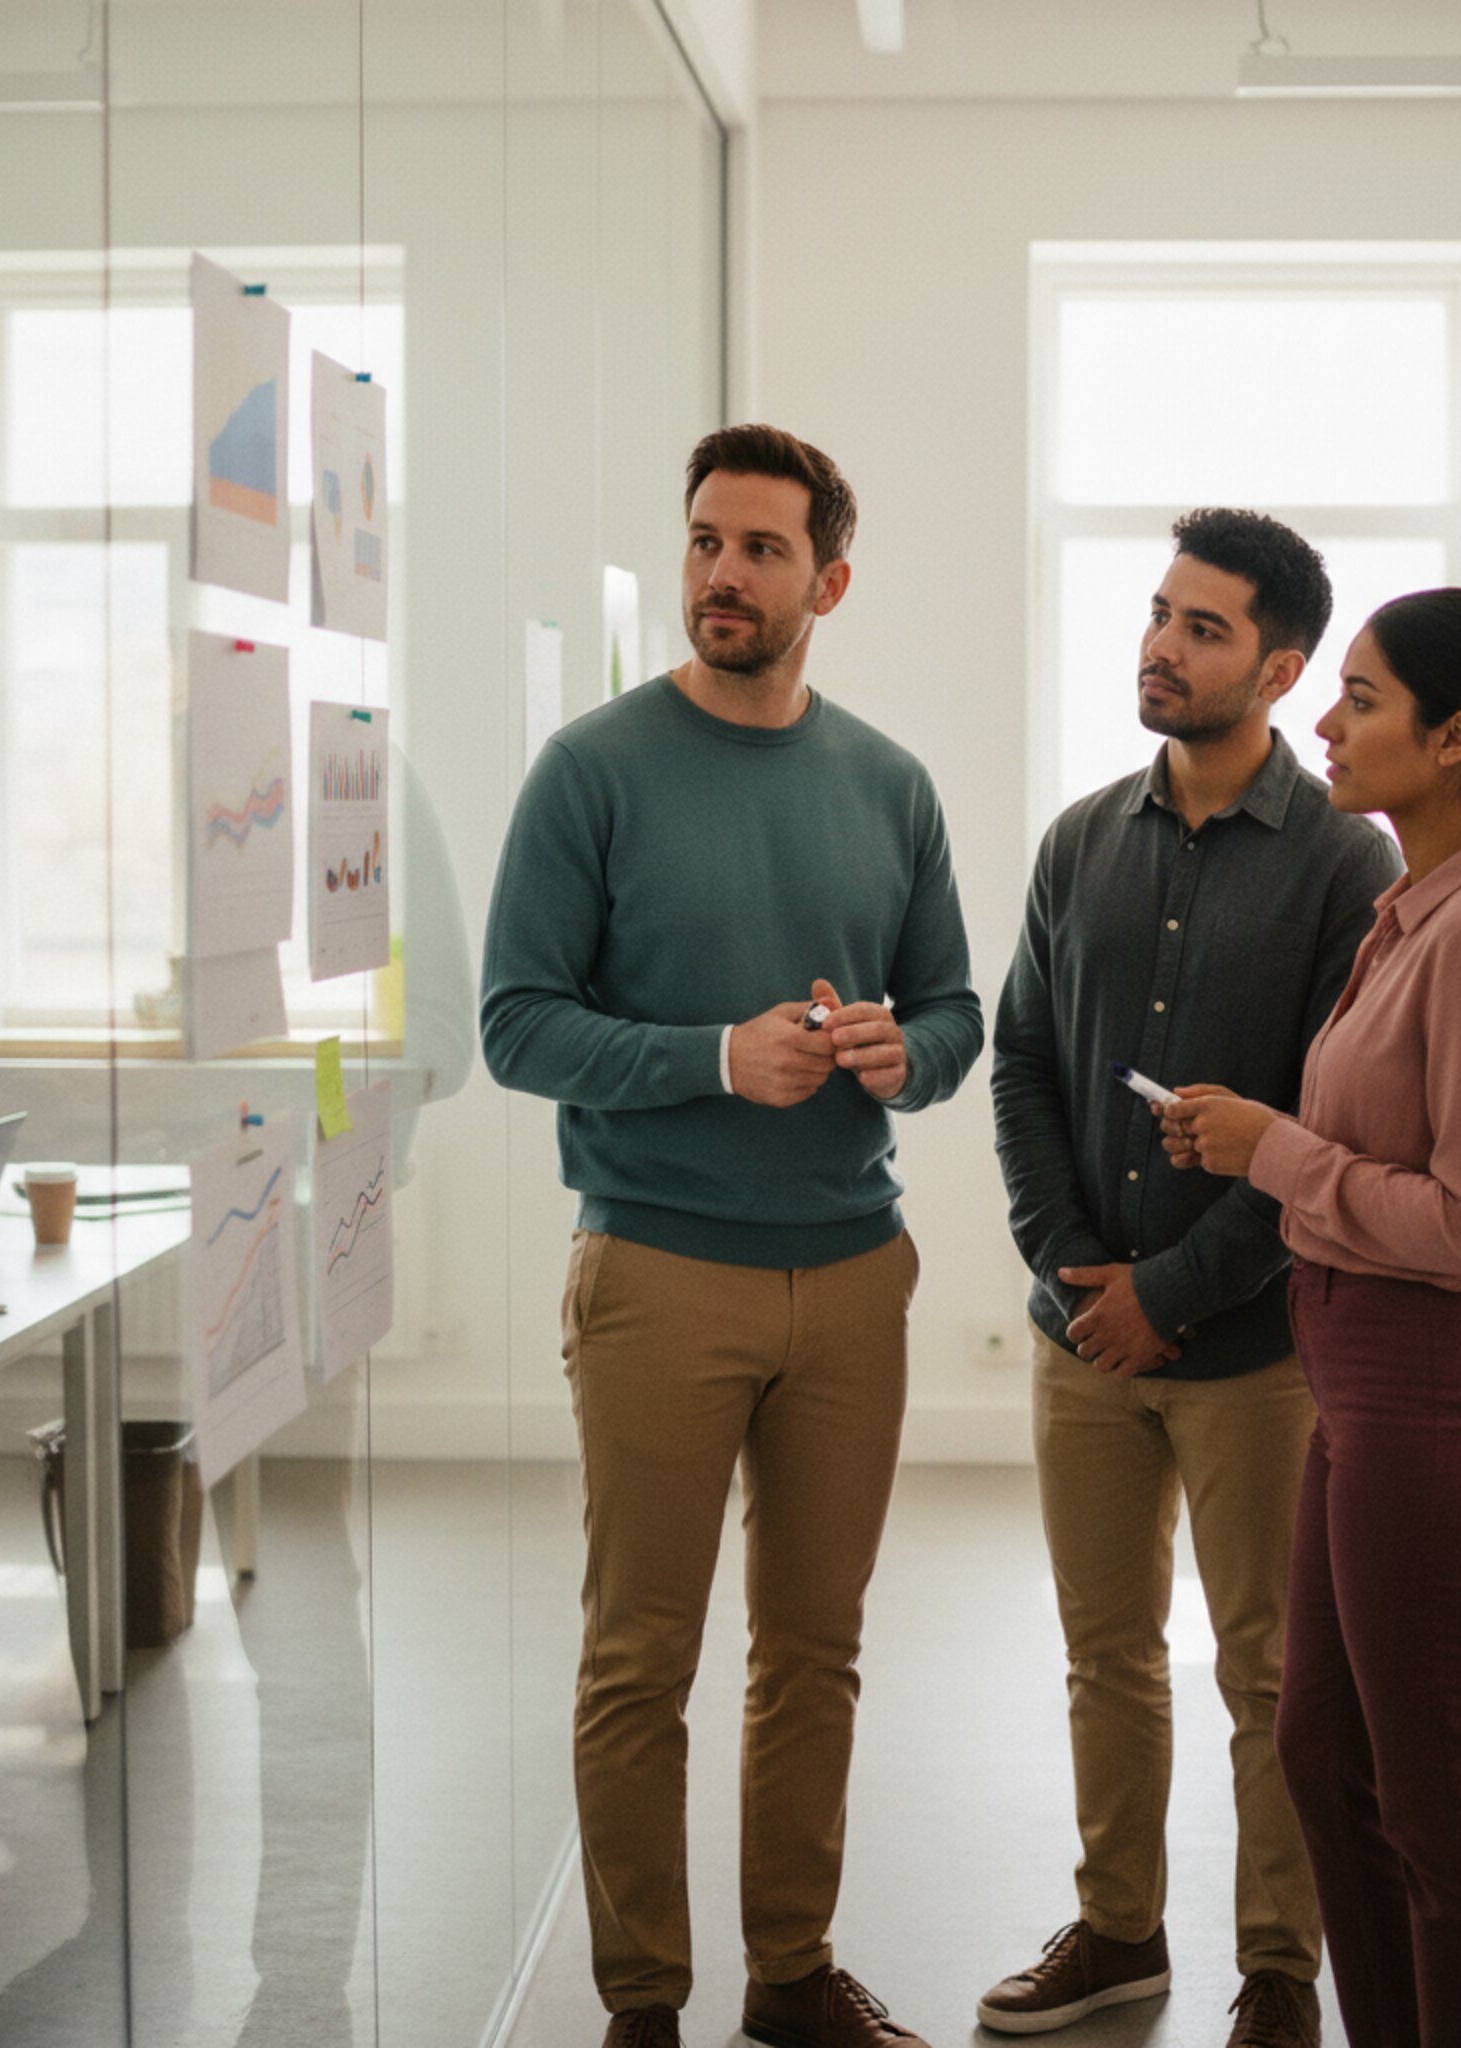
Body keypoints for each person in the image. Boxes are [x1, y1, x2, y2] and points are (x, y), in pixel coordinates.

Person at [480, 424, 983, 2048]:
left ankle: (789, 1972)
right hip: (656, 1271)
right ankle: (642, 1999)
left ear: (829, 580)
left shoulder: (890, 784)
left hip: (852, 1272)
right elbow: (515, 1025)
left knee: (815, 1653)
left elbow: (962, 1010)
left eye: (763, 550)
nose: (723, 575)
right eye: (705, 541)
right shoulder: (592, 770)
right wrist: (712, 1057)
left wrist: (913, 1054)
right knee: (641, 1659)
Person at [985, 510, 1403, 2047]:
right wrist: (1064, 1258)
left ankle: (1280, 1969)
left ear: (1283, 669)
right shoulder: (1080, 839)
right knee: (1104, 1658)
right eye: (1159, 611)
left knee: (1271, 1674)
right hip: (1079, 1331)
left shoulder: (1348, 864)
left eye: (1205, 627)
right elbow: (1026, 1060)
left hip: (1251, 1350)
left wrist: (1175, 1290)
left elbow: (1326, 1123)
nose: (1161, 643)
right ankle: (1116, 1932)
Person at [1159, 589, 1461, 2048]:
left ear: (1457, 737)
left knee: (1445, 1811)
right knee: (1322, 1747)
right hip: (1361, 1390)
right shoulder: (1416, 909)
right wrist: (1268, 1144)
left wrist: (1274, 1152)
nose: (1326, 725)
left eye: (1362, 700)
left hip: (1433, 1401)